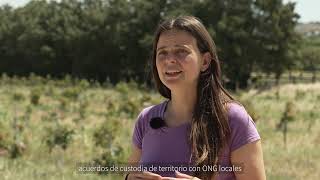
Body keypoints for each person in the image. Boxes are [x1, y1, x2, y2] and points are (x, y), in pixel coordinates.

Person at [125, 16, 266, 180]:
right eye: (162, 53)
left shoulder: (233, 120)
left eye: (181, 51)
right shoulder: (146, 119)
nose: (170, 59)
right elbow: (128, 175)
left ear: (205, 61)